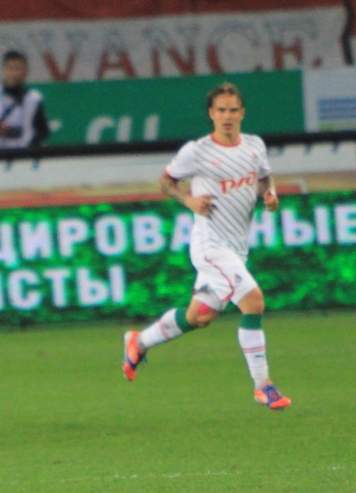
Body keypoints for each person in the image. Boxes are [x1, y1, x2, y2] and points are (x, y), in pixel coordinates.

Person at [122, 83, 290, 410]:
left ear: (242, 112)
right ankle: (263, 386)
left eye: (233, 110)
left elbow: (264, 178)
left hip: (236, 248)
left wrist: (270, 195)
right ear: (211, 114)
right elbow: (165, 182)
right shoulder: (197, 151)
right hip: (209, 245)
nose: (227, 116)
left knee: (200, 316)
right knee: (254, 301)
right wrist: (188, 200)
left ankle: (138, 342)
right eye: (221, 110)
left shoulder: (254, 146)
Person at [0, 50, 49, 150]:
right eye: (10, 68)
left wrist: (32, 145)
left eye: (18, 68)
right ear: (4, 69)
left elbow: (43, 130)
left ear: (25, 70)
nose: (14, 73)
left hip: (23, 154)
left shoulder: (34, 99)